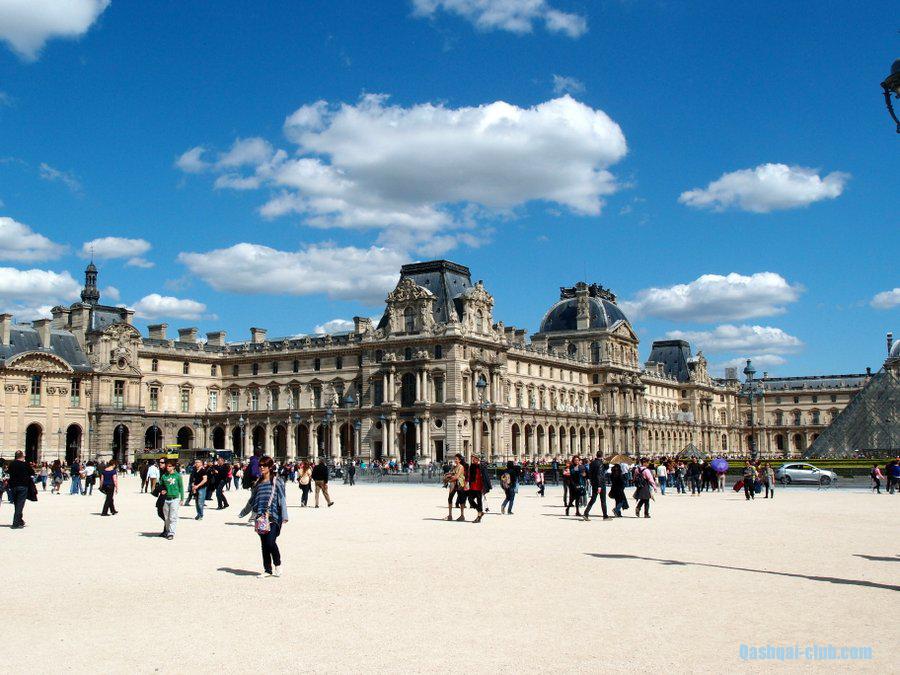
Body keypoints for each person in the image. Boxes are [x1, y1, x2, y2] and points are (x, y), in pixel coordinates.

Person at [239, 456, 288, 577]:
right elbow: (252, 500)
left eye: (264, 465)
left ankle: (277, 564)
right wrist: (244, 512)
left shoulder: (277, 481)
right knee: (264, 544)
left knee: (270, 542)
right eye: (260, 465)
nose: (261, 467)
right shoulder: (258, 483)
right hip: (261, 517)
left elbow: (282, 498)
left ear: (270, 467)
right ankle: (267, 570)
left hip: (274, 516)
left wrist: (284, 515)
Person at [7, 451, 35, 528]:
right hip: (23, 486)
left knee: (16, 504)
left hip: (13, 486)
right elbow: (32, 472)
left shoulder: (11, 464)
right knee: (20, 505)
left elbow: (8, 472)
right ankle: (15, 523)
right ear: (22, 456)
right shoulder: (25, 464)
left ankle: (20, 520)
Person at [158, 460, 183, 539]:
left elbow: (181, 487)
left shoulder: (178, 476)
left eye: (170, 466)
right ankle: (167, 531)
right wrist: (161, 490)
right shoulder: (164, 476)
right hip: (166, 499)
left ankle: (171, 533)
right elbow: (160, 485)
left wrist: (182, 498)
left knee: (173, 517)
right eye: (167, 466)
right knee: (166, 518)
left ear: (173, 467)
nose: (168, 467)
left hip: (174, 498)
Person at [442, 454, 467, 521]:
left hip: (459, 484)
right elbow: (451, 473)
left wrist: (448, 479)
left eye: (456, 459)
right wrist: (447, 475)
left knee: (461, 500)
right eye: (455, 459)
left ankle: (462, 515)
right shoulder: (454, 467)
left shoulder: (461, 467)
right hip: (453, 484)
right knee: (450, 498)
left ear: (459, 460)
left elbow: (457, 476)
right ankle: (450, 515)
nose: (455, 460)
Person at [584, 452, 609, 521]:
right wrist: (599, 486)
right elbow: (599, 475)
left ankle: (586, 513)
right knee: (603, 500)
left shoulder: (592, 463)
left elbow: (590, 473)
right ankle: (605, 516)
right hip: (601, 484)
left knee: (593, 499)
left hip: (594, 483)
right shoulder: (600, 463)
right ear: (602, 455)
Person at [466, 455, 485, 524]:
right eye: (473, 459)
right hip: (472, 486)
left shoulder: (481, 466)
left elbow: (485, 477)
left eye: (475, 459)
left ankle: (479, 517)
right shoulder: (471, 467)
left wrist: (485, 487)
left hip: (479, 487)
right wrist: (467, 483)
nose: (473, 460)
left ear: (478, 460)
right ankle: (480, 511)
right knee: (470, 500)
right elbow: (469, 476)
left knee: (479, 502)